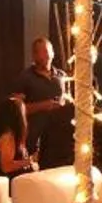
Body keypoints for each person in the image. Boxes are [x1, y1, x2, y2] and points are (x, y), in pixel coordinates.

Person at [10, 37, 73, 174]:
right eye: (39, 52)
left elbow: (68, 100)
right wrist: (44, 105)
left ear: (52, 53)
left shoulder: (61, 76)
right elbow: (14, 110)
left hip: (59, 138)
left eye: (46, 51)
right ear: (34, 55)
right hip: (34, 137)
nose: (44, 55)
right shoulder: (25, 77)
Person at [0, 91, 40, 179]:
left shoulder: (14, 136)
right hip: (9, 187)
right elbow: (6, 167)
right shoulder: (7, 137)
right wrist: (30, 161)